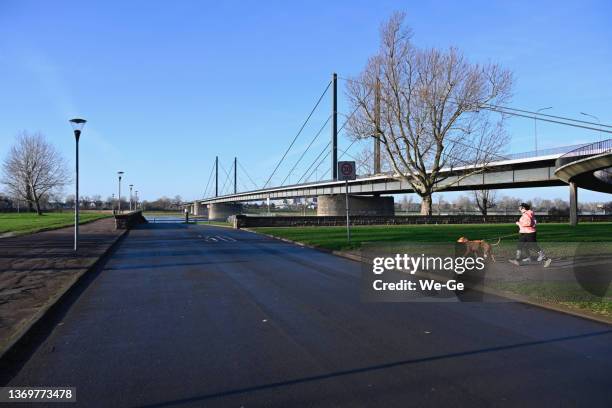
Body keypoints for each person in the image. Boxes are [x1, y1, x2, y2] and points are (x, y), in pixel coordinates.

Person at [509, 203, 552, 267]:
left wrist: (518, 223)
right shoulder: (526, 214)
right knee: (520, 245)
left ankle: (546, 259)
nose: (519, 208)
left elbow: (528, 223)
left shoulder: (527, 214)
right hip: (524, 232)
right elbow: (533, 222)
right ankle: (517, 260)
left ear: (523, 208)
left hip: (530, 233)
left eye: (520, 207)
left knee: (534, 246)